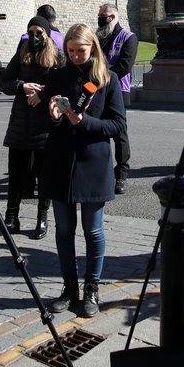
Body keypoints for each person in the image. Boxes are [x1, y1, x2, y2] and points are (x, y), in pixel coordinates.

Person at [41, 23, 126, 317]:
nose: (76, 56)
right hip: (60, 160)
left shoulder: (107, 79)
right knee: (64, 230)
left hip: (93, 162)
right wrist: (53, 116)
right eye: (71, 51)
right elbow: (45, 122)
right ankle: (69, 288)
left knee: (93, 230)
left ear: (93, 48)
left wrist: (85, 122)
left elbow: (117, 125)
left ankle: (92, 287)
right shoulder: (58, 76)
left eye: (82, 50)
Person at [0, 15, 64, 239]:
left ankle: (42, 219)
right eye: (31, 32)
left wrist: (42, 94)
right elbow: (4, 82)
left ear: (47, 34)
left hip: (44, 123)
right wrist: (23, 86)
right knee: (16, 175)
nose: (34, 37)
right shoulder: (22, 52)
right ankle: (11, 218)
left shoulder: (56, 56)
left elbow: (64, 85)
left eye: (39, 33)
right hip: (20, 123)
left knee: (44, 175)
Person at [96, 3, 137, 194]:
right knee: (96, 131)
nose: (100, 18)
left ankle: (121, 175)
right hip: (96, 90)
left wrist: (101, 77)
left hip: (118, 90)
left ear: (113, 16)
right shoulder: (98, 37)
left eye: (103, 15)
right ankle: (99, 172)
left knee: (119, 134)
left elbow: (124, 67)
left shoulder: (128, 37)